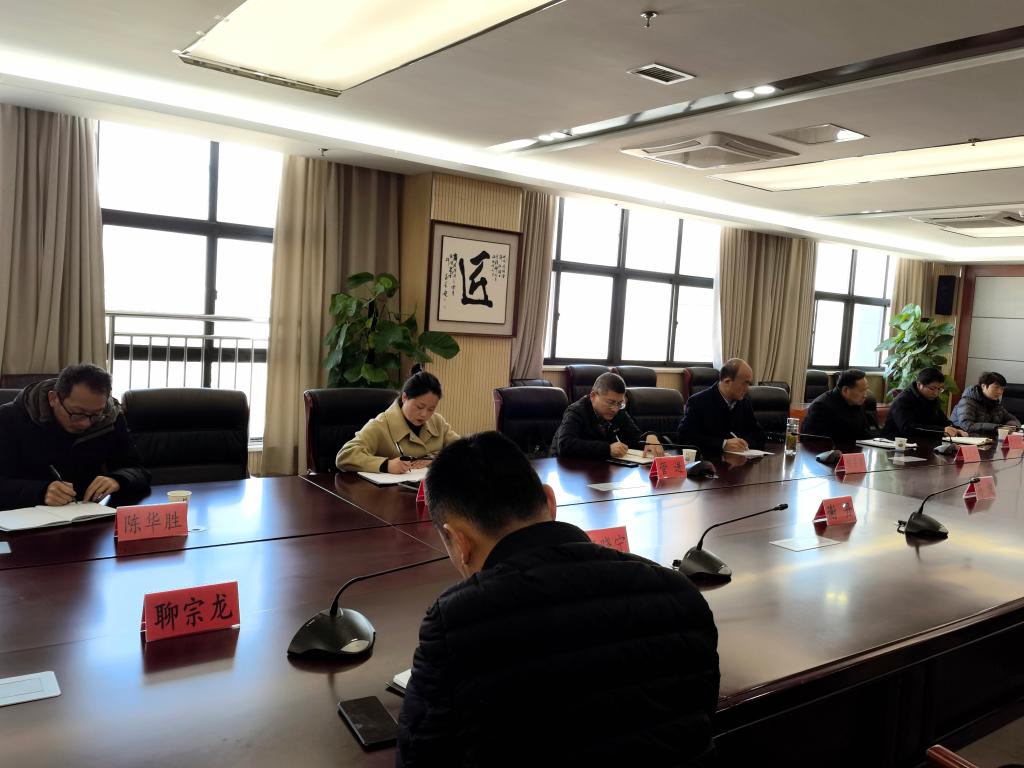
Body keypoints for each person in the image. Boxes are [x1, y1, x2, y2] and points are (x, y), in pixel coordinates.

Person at [397, 431, 720, 767]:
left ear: (458, 540)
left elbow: (420, 758)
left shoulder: (455, 623)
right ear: (550, 501)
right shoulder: (680, 593)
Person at [0, 363, 150, 511]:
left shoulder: (109, 418)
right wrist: (40, 491)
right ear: (53, 398)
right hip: (25, 517)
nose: (85, 423)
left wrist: (118, 479)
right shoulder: (9, 418)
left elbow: (139, 471)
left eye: (95, 414)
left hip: (86, 515)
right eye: (77, 413)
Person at [336, 370, 460, 473]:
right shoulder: (380, 425)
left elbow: (463, 450)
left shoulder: (438, 422)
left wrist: (434, 459)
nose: (424, 414)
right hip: (390, 491)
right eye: (419, 407)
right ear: (405, 397)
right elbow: (345, 456)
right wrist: (386, 465)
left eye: (431, 409)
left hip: (432, 488)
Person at [553, 372, 663, 459]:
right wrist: (607, 449)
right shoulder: (576, 411)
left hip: (599, 468)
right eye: (610, 402)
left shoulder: (618, 411)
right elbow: (565, 445)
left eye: (619, 403)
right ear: (593, 396)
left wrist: (650, 437)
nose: (615, 409)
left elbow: (634, 439)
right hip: (566, 468)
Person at [677, 358, 765, 457]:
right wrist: (723, 444)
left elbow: (759, 435)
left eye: (749, 383)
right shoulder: (698, 402)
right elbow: (685, 438)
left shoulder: (744, 401)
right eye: (745, 383)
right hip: (710, 461)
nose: (747, 388)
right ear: (727, 381)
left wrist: (744, 443)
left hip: (740, 461)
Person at [882, 367, 968, 439]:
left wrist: (956, 429)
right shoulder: (903, 400)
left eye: (939, 389)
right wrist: (942, 431)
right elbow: (907, 427)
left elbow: (942, 421)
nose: (936, 393)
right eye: (932, 388)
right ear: (919, 385)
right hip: (896, 443)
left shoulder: (932, 399)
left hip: (923, 443)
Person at [800, 369, 880, 443]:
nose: (865, 395)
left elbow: (864, 433)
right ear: (845, 390)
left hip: (854, 451)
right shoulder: (821, 407)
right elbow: (810, 441)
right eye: (862, 391)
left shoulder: (859, 403)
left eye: (866, 390)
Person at [951, 371, 1021, 436]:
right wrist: (996, 428)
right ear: (983, 386)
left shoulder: (995, 404)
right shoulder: (967, 401)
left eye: (1002, 389)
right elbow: (967, 426)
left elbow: (1013, 420)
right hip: (963, 440)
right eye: (996, 387)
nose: (1000, 392)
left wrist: (1011, 427)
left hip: (985, 440)